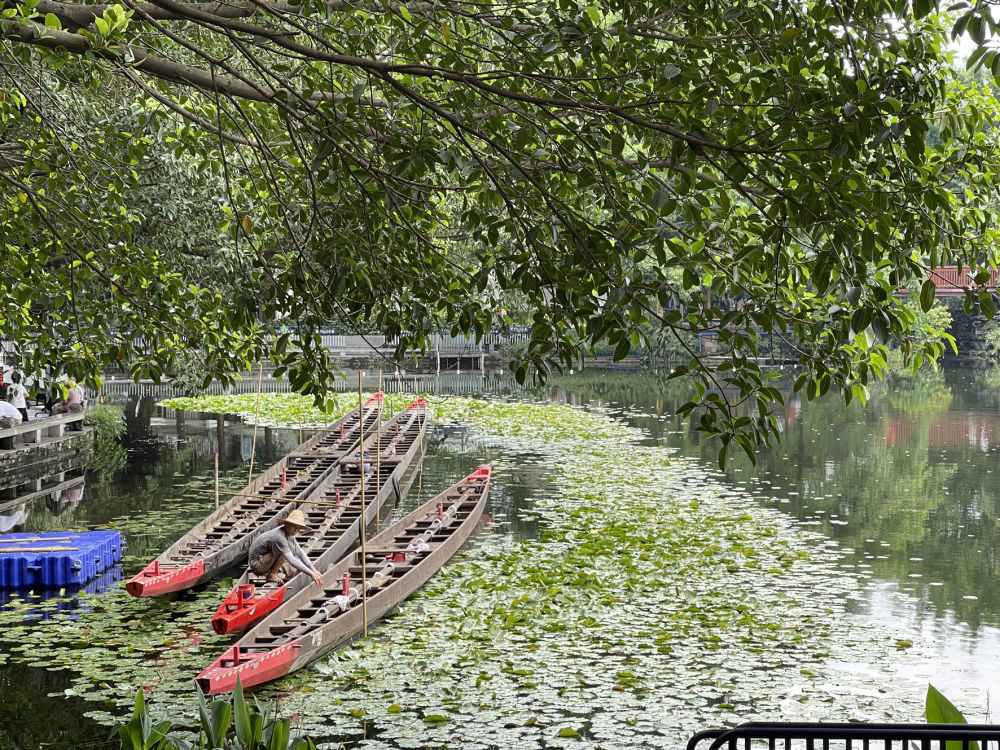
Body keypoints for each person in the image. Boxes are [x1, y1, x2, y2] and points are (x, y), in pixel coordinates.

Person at [246, 509, 324, 588]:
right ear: (287, 524)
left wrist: (313, 570)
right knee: (289, 547)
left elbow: (299, 551)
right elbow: (292, 560)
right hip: (257, 565)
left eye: (298, 528)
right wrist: (311, 574)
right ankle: (272, 574)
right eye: (294, 527)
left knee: (296, 568)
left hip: (266, 561)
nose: (296, 530)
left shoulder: (290, 534)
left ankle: (278, 572)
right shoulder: (279, 537)